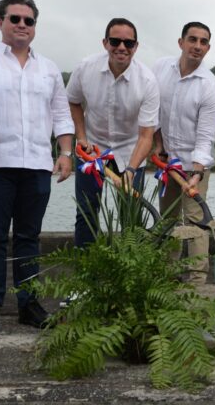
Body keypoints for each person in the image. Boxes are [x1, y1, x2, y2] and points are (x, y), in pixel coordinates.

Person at [0, 0, 74, 334]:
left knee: (30, 237)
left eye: (28, 21)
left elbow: (61, 113)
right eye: (14, 18)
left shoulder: (47, 68)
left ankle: (28, 303)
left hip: (36, 164)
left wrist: (65, 153)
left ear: (34, 27)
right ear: (0, 21)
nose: (21, 25)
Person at [66, 18, 159, 247]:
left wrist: (130, 170)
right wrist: (82, 137)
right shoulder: (85, 68)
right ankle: (86, 270)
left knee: (131, 218)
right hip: (92, 149)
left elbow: (147, 135)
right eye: (115, 41)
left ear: (136, 47)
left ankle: (128, 273)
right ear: (105, 42)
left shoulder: (147, 81)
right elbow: (73, 102)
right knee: (86, 213)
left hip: (131, 151)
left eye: (128, 43)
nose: (122, 48)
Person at [152, 22, 215, 284]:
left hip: (195, 166)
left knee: (195, 221)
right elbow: (152, 110)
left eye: (203, 42)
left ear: (208, 48)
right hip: (166, 162)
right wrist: (158, 144)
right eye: (192, 39)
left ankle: (196, 278)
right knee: (167, 219)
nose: (197, 46)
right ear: (181, 42)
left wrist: (195, 172)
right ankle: (167, 276)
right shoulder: (160, 68)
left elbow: (206, 137)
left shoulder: (211, 87)